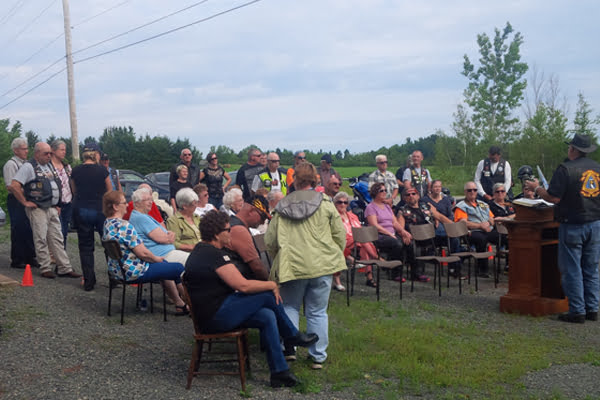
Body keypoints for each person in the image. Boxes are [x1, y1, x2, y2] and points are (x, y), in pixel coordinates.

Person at [183, 210, 318, 388]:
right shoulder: (212, 254)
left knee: (267, 316)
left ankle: (279, 372)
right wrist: (271, 285)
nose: (230, 232)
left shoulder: (204, 250)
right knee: (267, 295)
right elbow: (242, 285)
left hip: (216, 310)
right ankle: (291, 335)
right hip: (214, 317)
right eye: (228, 230)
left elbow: (237, 285)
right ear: (217, 234)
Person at [265, 162, 347, 370]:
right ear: (314, 180)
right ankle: (317, 356)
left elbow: (270, 241)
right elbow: (340, 235)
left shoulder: (281, 207)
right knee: (318, 312)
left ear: (294, 180)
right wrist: (333, 257)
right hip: (321, 265)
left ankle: (290, 350)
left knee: (289, 307)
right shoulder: (326, 204)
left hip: (292, 265)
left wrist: (279, 259)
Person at [524, 134, 600, 323]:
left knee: (571, 269)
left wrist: (537, 188)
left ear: (573, 149)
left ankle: (577, 311)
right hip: (595, 223)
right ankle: (592, 308)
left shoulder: (565, 169)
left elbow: (553, 198)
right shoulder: (597, 168)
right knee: (591, 268)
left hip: (573, 224)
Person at [102, 190, 188, 316]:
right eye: (124, 203)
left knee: (167, 267)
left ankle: (181, 304)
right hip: (134, 271)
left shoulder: (107, 224)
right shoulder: (125, 226)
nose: (127, 205)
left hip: (117, 270)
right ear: (115, 206)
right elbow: (143, 254)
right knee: (178, 267)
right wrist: (157, 259)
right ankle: (190, 304)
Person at [10, 142, 81, 279]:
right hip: (38, 208)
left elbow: (56, 185)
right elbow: (14, 185)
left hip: (52, 207)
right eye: (45, 153)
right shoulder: (29, 167)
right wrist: (24, 201)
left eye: (50, 153)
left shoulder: (48, 166)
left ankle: (64, 267)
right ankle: (45, 267)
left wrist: (58, 203)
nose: (49, 156)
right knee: (40, 238)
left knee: (57, 238)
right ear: (36, 153)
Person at [70, 142, 111, 291]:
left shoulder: (75, 170)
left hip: (81, 209)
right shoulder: (102, 170)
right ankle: (114, 277)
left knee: (85, 246)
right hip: (100, 210)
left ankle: (89, 281)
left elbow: (74, 190)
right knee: (108, 244)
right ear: (96, 154)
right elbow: (109, 191)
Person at [397, 187, 454, 282]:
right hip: (414, 238)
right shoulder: (402, 210)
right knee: (412, 246)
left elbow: (439, 216)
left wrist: (453, 226)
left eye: (413, 193)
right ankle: (417, 274)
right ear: (404, 198)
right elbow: (400, 226)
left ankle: (454, 269)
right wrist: (404, 234)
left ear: (418, 196)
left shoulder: (426, 206)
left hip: (431, 236)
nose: (411, 196)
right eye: (408, 195)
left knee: (453, 238)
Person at [128, 188, 190, 266]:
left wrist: (168, 235)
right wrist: (169, 235)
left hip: (167, 253)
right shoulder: (140, 218)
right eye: (147, 200)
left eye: (151, 199)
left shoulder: (143, 216)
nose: (151, 202)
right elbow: (165, 239)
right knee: (194, 260)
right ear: (137, 203)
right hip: (163, 256)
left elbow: (167, 235)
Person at [454, 181, 500, 278]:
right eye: (469, 190)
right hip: (472, 232)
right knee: (481, 240)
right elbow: (463, 223)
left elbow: (492, 218)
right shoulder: (461, 206)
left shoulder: (483, 204)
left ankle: (508, 266)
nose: (472, 192)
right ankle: (482, 270)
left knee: (504, 237)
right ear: (465, 192)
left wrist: (487, 224)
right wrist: (480, 226)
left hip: (487, 229)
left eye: (475, 190)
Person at [3, 137, 37, 269]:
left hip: (28, 198)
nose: (26, 151)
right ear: (16, 150)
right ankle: (17, 258)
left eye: (27, 148)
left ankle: (30, 256)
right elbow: (10, 186)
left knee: (29, 228)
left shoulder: (27, 163)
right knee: (18, 228)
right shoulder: (11, 164)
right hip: (16, 200)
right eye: (24, 149)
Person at [333, 191, 377, 289]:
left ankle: (369, 278)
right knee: (363, 240)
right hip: (342, 240)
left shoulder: (353, 216)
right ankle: (377, 258)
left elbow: (360, 229)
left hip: (357, 241)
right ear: (335, 204)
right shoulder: (334, 216)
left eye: (345, 202)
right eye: (339, 202)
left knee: (364, 244)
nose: (343, 204)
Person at [223, 195, 271, 281]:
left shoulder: (232, 223)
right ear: (251, 211)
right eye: (262, 217)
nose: (263, 222)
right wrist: (270, 283)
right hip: (240, 284)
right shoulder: (239, 230)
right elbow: (257, 267)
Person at [364, 182, 412, 267]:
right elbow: (374, 225)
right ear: (375, 193)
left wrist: (403, 231)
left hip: (392, 234)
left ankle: (414, 272)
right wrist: (389, 234)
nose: (385, 192)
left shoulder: (387, 207)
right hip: (379, 235)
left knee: (409, 242)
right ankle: (394, 270)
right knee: (397, 243)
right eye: (382, 190)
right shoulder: (370, 207)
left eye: (385, 190)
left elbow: (394, 222)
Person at [50, 140, 73, 248]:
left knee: (65, 231)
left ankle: (62, 256)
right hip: (55, 204)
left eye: (65, 150)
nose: (64, 152)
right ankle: (56, 258)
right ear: (53, 151)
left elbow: (72, 183)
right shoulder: (48, 167)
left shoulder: (66, 166)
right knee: (59, 231)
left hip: (67, 203)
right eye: (62, 150)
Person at [165, 188, 201, 252]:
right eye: (194, 203)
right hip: (188, 253)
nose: (196, 206)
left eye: (197, 202)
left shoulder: (197, 217)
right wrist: (192, 247)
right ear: (185, 206)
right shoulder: (173, 221)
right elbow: (174, 243)